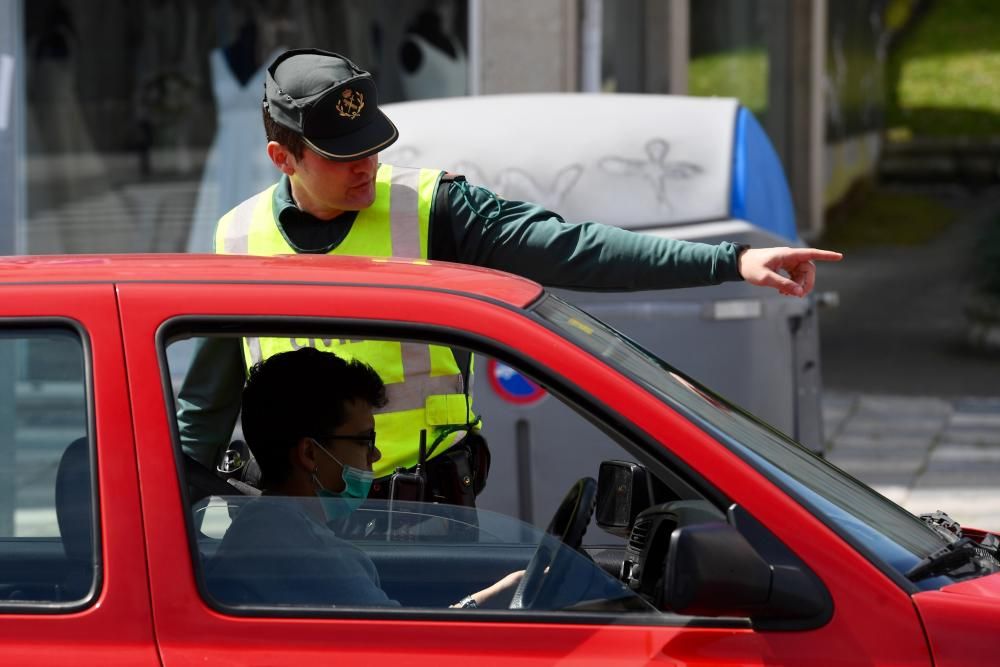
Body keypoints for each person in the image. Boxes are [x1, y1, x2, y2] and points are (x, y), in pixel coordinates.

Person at [178, 48, 842, 495]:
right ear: (281, 156)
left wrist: (731, 261)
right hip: (298, 531)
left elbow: (570, 247)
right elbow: (203, 411)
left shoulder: (434, 207)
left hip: (426, 519)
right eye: (342, 154)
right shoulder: (235, 237)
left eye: (373, 147)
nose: (367, 165)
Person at [206, 347, 522, 608]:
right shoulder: (303, 553)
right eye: (363, 441)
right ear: (310, 454)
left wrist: (490, 597)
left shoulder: (274, 532)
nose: (376, 455)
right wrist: (486, 603)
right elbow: (406, 647)